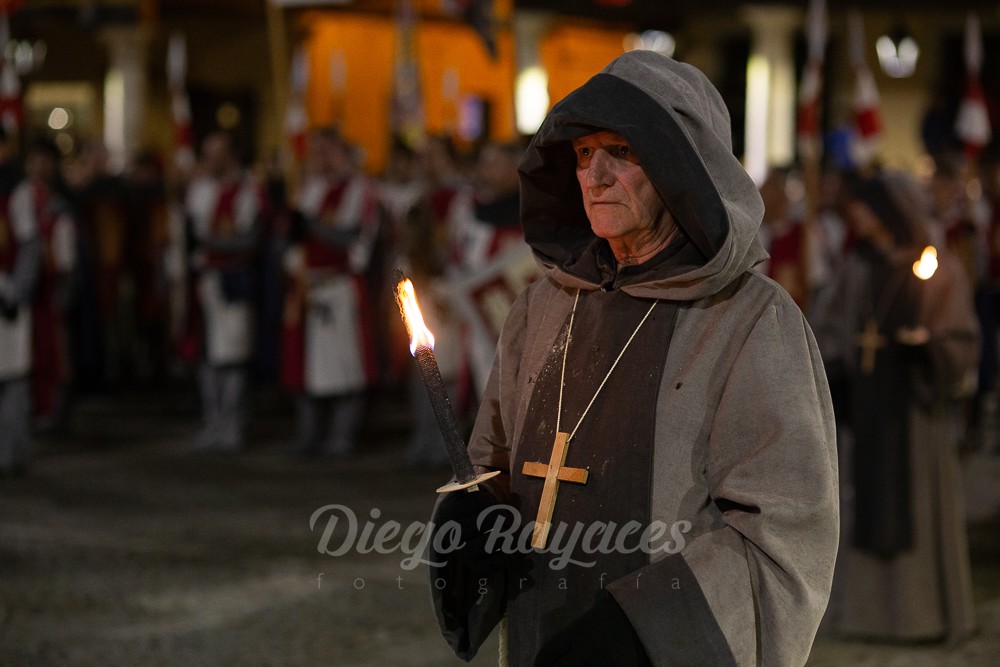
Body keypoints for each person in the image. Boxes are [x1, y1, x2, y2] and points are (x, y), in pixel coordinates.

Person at [428, 50, 839, 666]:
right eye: (583, 153)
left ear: (680, 168)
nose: (594, 176)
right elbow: (493, 458)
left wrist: (642, 633)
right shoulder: (542, 306)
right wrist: (474, 524)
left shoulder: (749, 319)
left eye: (620, 151)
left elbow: (780, 531)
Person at [815, 171, 978, 643]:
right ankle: (863, 615)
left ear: (889, 211)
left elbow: (960, 337)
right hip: (865, 407)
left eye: (865, 206)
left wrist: (929, 349)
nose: (855, 214)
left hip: (913, 412)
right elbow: (826, 328)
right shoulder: (856, 268)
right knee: (861, 500)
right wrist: (835, 366)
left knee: (916, 503)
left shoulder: (936, 266)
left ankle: (920, 616)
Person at [280, 128, 380, 457]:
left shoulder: (358, 190)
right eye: (316, 151)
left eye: (327, 150)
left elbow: (350, 239)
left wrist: (308, 223)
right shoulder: (309, 188)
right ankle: (309, 435)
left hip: (339, 285)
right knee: (303, 365)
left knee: (346, 366)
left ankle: (342, 435)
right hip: (306, 286)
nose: (320, 158)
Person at [183, 131, 265, 451]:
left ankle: (233, 425)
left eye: (215, 153)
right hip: (205, 282)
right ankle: (213, 423)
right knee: (207, 356)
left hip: (234, 281)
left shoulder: (248, 191)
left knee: (232, 356)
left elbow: (250, 240)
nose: (209, 160)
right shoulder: (201, 189)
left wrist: (211, 243)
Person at [0, 139, 40, 478]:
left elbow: (29, 244)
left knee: (11, 376)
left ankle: (12, 451)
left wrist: (16, 291)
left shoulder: (17, 190)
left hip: (6, 293)